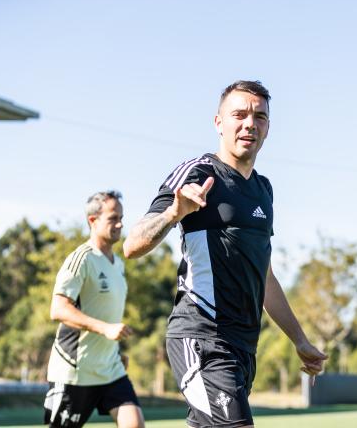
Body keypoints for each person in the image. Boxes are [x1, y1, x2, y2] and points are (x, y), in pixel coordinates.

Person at [123, 80, 327, 428]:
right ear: (219, 122)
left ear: (268, 127)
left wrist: (300, 340)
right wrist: (175, 212)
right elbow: (132, 245)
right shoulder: (199, 172)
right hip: (201, 337)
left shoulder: (263, 190)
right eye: (239, 114)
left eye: (259, 116)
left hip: (243, 348)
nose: (249, 123)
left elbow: (264, 275)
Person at [44, 191, 144, 428]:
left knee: (135, 424)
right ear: (93, 220)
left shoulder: (118, 264)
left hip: (110, 369)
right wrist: (106, 330)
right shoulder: (81, 259)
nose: (120, 224)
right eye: (113, 218)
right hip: (74, 371)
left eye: (121, 217)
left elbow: (105, 311)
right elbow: (58, 309)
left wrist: (113, 349)